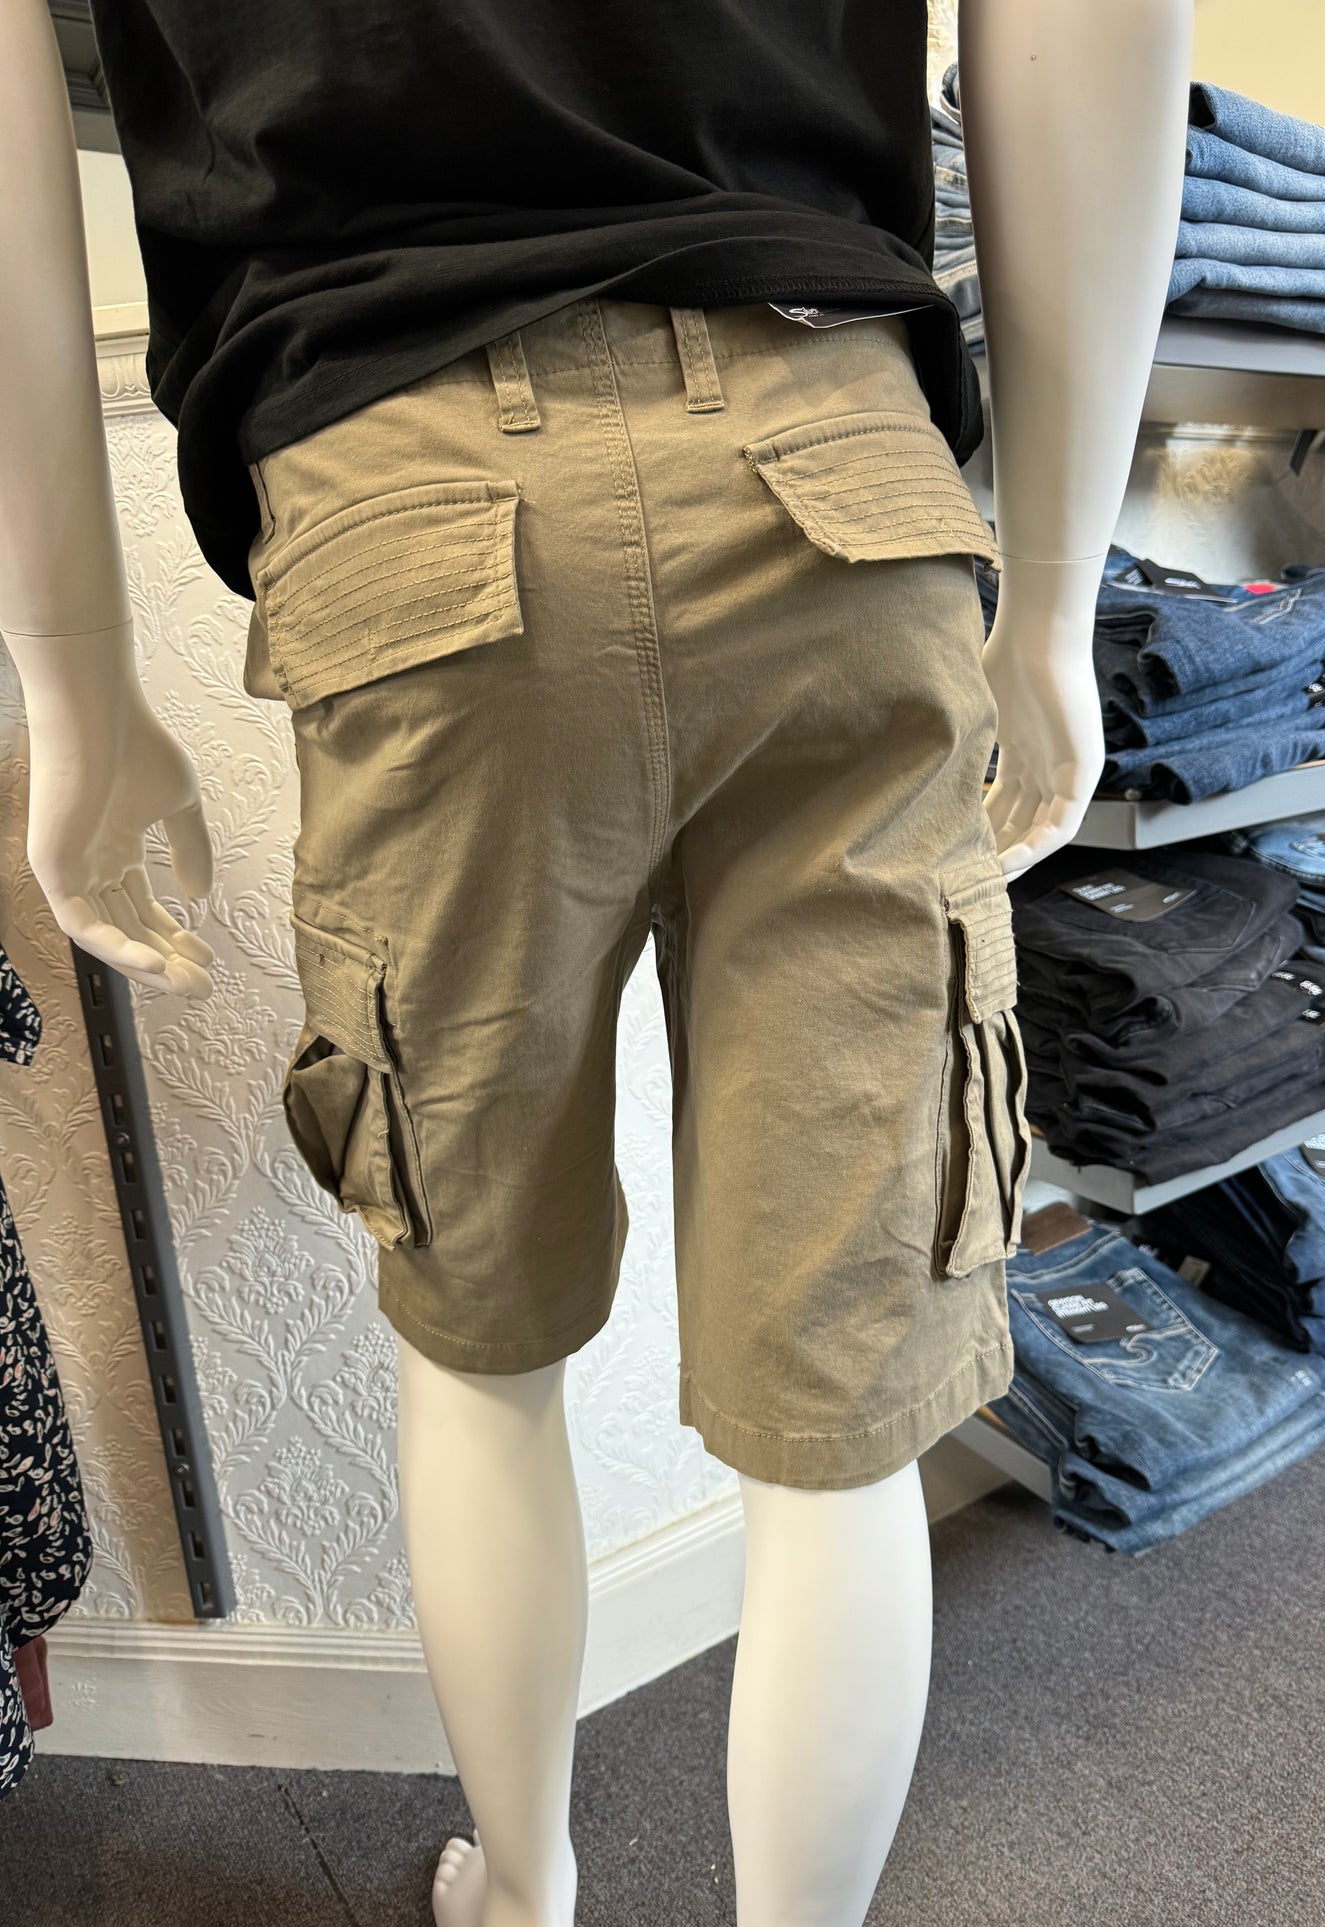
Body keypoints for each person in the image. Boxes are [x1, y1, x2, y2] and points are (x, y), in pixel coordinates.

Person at [0, 3, 1192, 1922]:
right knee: (845, 1383)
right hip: (841, 475)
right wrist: (1051, 589)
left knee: (484, 1329)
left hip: (403, 499)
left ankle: (528, 1887)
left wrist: (71, 667)